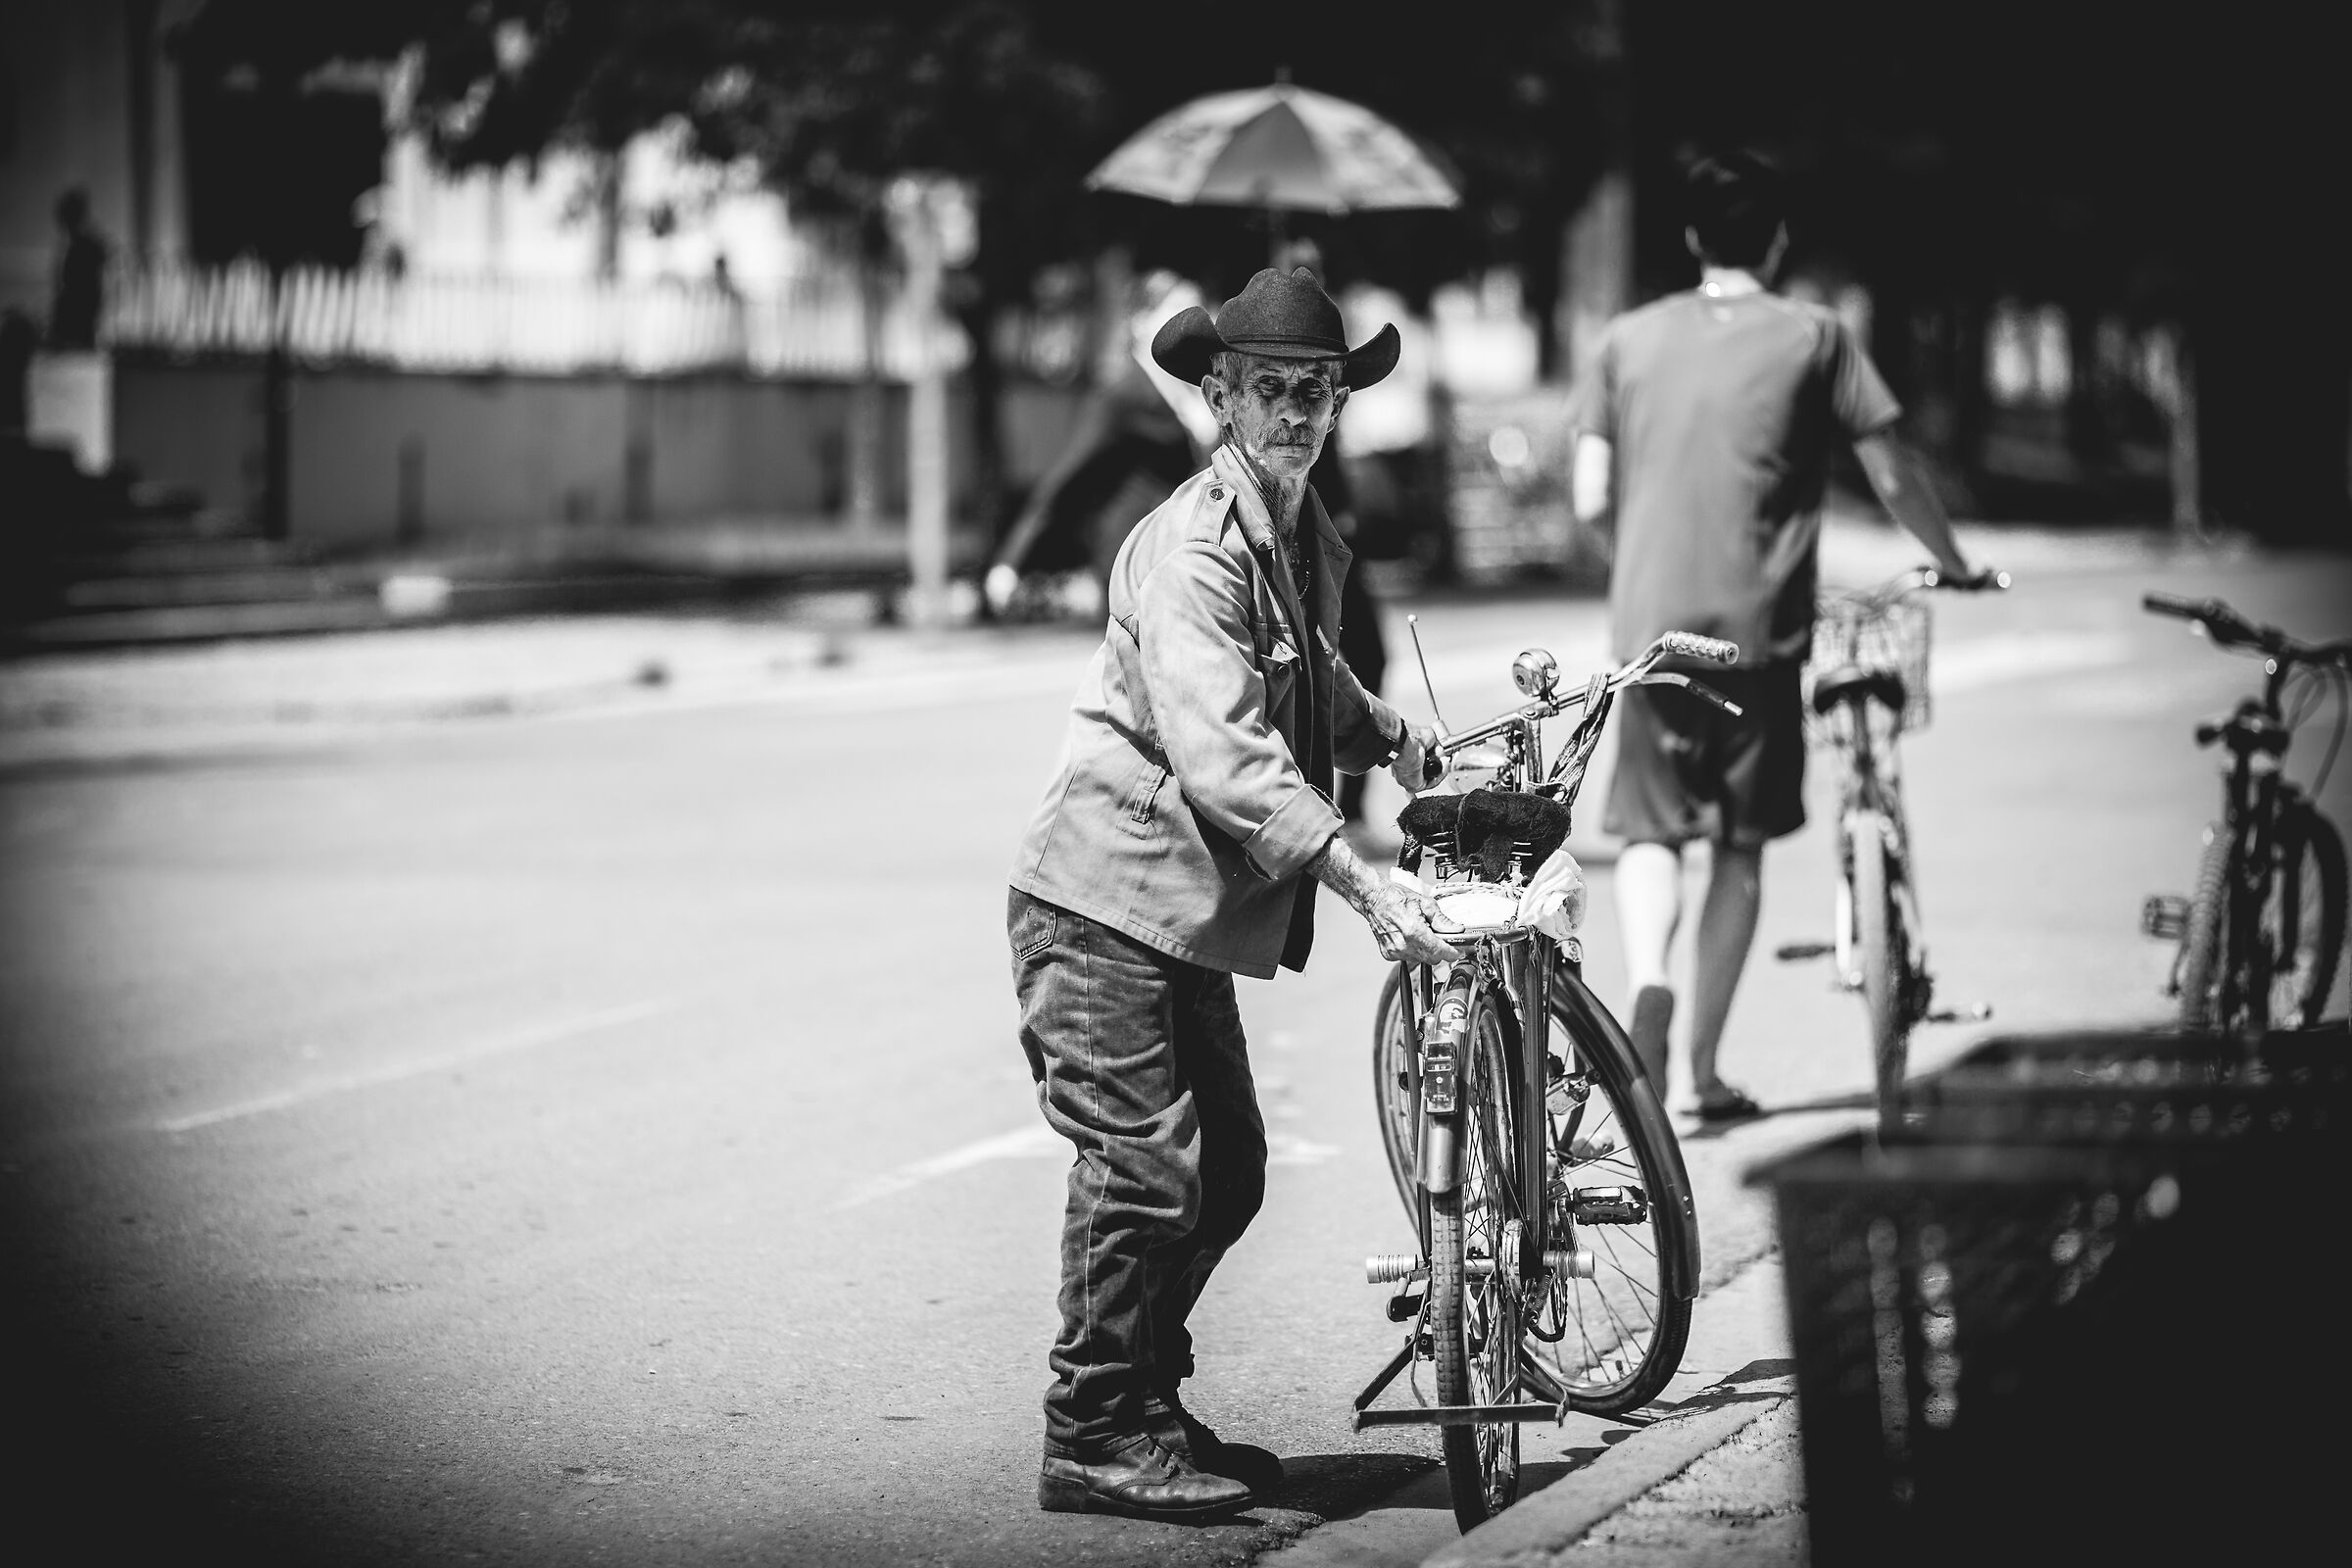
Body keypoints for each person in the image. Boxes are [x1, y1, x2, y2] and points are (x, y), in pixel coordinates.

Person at [1006, 267, 1452, 1522]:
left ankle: (1143, 1400)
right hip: (1099, 909)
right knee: (1147, 1171)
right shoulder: (1194, 547)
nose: (1298, 412)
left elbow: (1307, 676)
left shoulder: (1294, 528)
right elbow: (1228, 754)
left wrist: (1389, 735)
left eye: (1319, 391)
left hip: (1176, 917)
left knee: (1232, 1170)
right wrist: (1361, 881)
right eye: (1272, 390)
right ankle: (1094, 1427)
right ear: (1220, 396)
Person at [1567, 152, 1986, 1119]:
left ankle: (1648, 986)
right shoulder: (1817, 335)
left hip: (1650, 633)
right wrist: (1954, 561)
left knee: (1652, 834)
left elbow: (1589, 494)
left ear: (1691, 238)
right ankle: (1697, 1074)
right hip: (1760, 634)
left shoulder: (1626, 338)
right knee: (1740, 846)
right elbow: (1892, 473)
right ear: (1780, 239)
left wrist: (1636, 566)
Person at [984, 274, 1218, 616]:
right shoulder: (1121, 392)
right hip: (1135, 550)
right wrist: (1010, 561)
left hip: (1182, 544)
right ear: (1140, 322)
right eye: (1177, 309)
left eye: (1197, 310)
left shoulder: (1197, 386)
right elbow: (1068, 475)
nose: (1190, 322)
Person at [49, 189, 109, 351]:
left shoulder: (87, 246)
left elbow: (91, 288)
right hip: (78, 317)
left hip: (79, 318)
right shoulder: (83, 245)